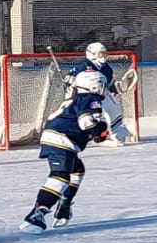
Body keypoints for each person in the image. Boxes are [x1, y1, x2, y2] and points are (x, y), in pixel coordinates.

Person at [20, 65, 129, 231]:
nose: (104, 88)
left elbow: (86, 126)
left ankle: (64, 204)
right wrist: (99, 129)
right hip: (62, 139)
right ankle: (37, 212)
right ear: (94, 85)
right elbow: (86, 122)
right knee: (60, 176)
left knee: (77, 170)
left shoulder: (78, 98)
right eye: (102, 84)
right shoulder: (90, 98)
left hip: (57, 137)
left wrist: (99, 132)